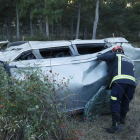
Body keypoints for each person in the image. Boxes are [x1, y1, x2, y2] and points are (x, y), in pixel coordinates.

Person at [97, 46, 136, 133]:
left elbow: (104, 57)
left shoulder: (116, 55)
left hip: (119, 82)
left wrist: (98, 56)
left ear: (115, 51)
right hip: (131, 84)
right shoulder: (130, 60)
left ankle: (116, 126)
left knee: (115, 101)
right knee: (126, 101)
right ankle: (122, 119)